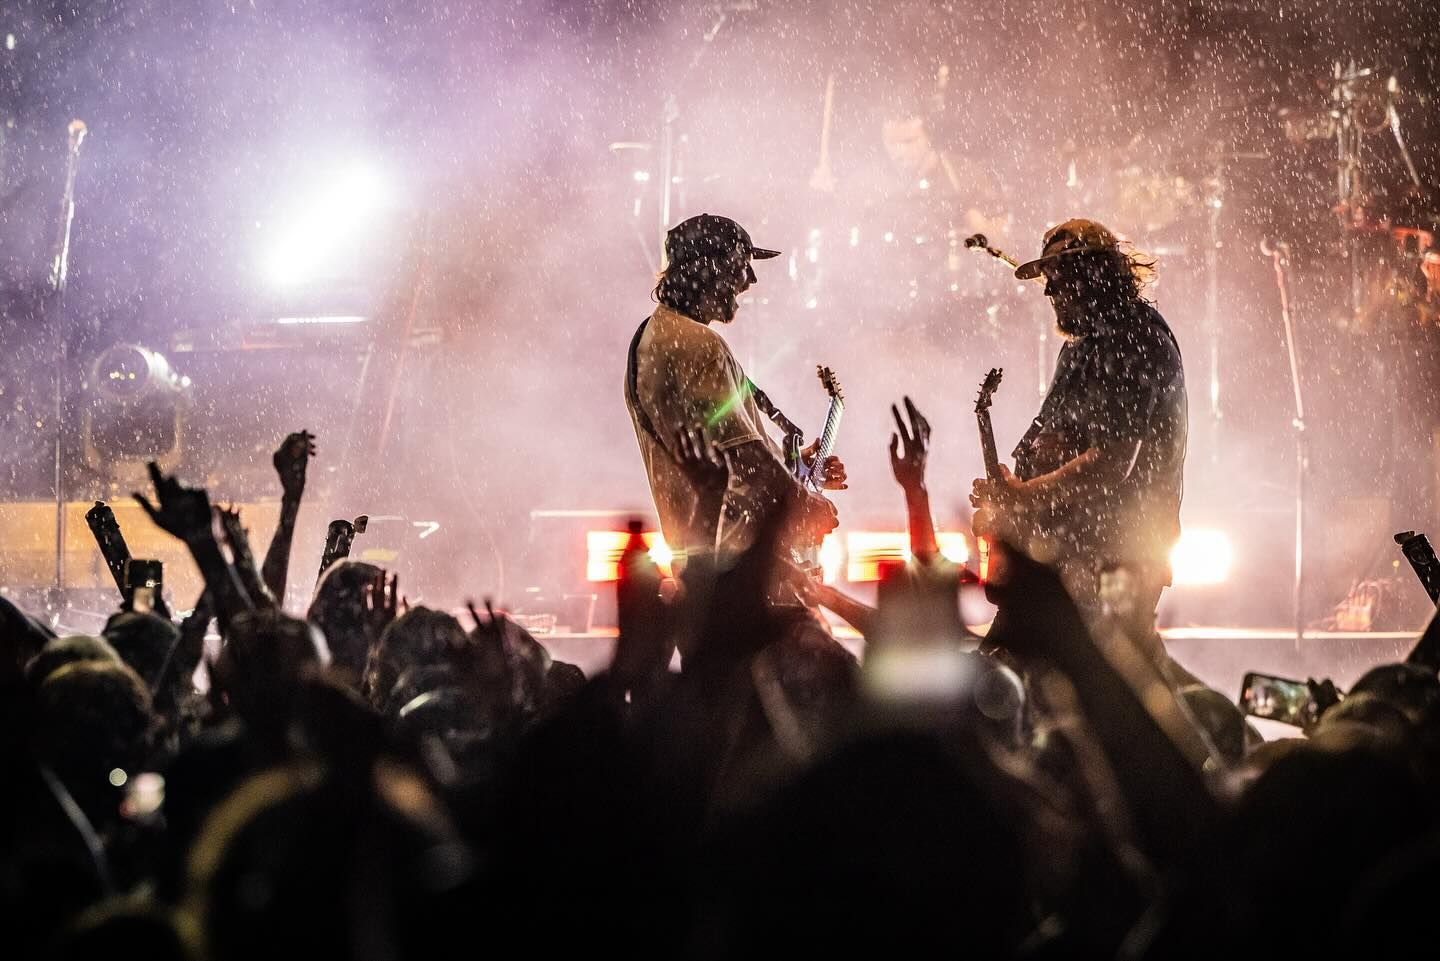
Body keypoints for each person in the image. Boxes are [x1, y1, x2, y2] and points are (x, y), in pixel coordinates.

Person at [970, 218, 1187, 632]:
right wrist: (1013, 489)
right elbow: (1060, 441)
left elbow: (1113, 461)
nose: (1049, 291)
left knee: (1099, 664)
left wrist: (1024, 496)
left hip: (1118, 557)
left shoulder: (1131, 336)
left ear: (1096, 274)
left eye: (1059, 277)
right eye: (1048, 278)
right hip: (1074, 554)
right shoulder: (1085, 344)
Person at [624, 213, 845, 577]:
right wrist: (802, 502)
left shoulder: (650, 338)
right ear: (713, 270)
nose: (751, 279)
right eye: (744, 266)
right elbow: (744, 456)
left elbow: (721, 448)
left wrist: (796, 464)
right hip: (742, 566)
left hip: (703, 565)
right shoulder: (700, 345)